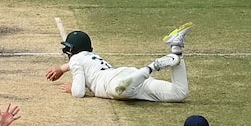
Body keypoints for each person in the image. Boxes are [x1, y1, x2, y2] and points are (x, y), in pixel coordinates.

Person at [45, 23, 193, 102]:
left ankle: (153, 66)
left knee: (118, 91)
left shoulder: (77, 59)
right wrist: (62, 69)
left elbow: (78, 93)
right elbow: (76, 64)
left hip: (117, 83)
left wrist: (73, 88)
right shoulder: (90, 56)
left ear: (73, 50)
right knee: (179, 93)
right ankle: (176, 48)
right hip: (131, 78)